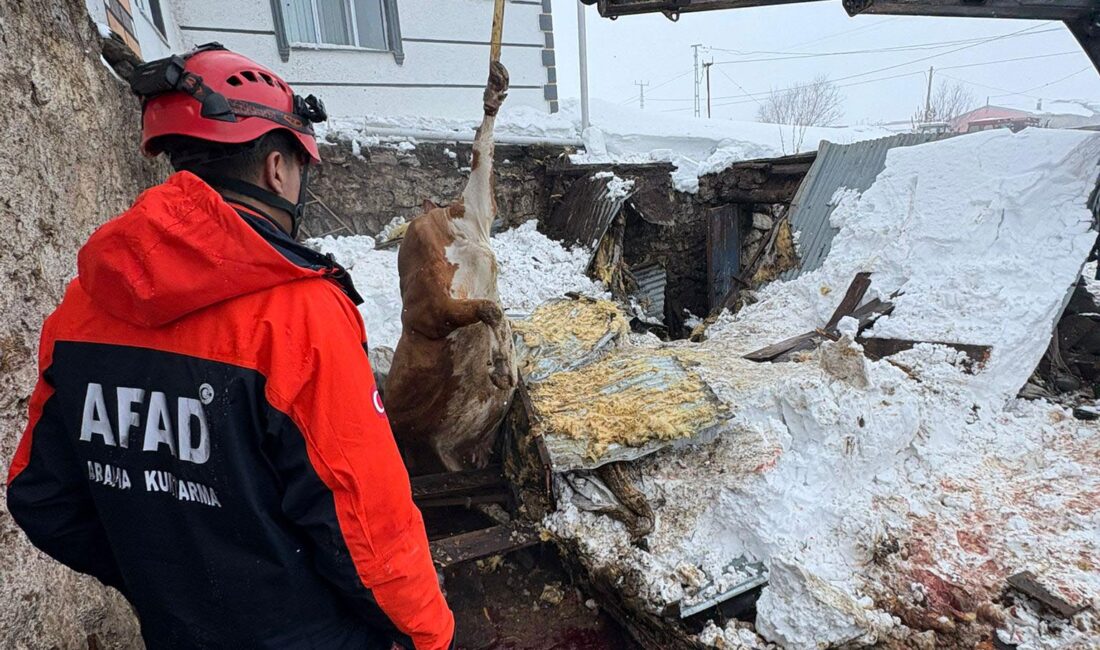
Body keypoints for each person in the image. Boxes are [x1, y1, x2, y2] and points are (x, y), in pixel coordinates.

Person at [5, 43, 453, 650]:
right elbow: (368, 529)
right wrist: (431, 636)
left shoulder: (83, 309)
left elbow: (42, 495)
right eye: (300, 167)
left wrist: (163, 582)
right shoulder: (301, 315)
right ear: (276, 167)